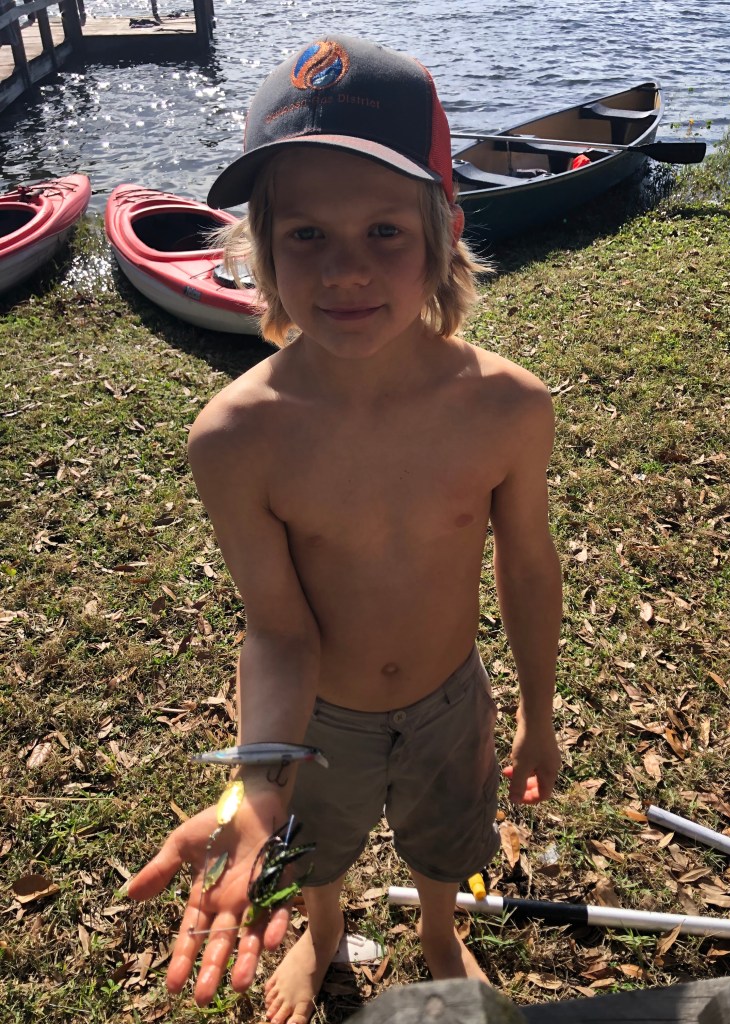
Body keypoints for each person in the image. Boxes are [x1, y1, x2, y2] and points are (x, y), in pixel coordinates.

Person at [128, 34, 563, 1024]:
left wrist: (536, 713)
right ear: (261, 248)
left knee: (447, 841)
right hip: (318, 718)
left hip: (452, 699)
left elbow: (529, 567)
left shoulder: (508, 407)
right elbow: (279, 628)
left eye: (384, 232)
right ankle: (322, 936)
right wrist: (259, 785)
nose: (345, 270)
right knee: (313, 852)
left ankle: (441, 932)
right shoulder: (236, 437)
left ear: (443, 233)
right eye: (307, 235)